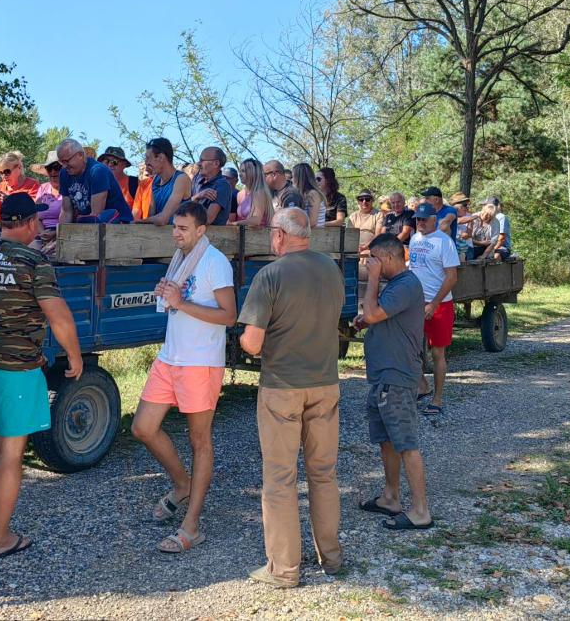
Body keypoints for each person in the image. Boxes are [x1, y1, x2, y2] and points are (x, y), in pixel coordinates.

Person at [0, 193, 84, 561]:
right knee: (9, 455)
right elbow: (58, 316)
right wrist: (74, 356)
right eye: (36, 221)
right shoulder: (34, 261)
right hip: (16, 371)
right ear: (28, 223)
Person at [238, 208, 345, 587]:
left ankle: (283, 569)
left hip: (282, 387)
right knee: (323, 474)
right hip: (325, 383)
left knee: (280, 479)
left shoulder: (270, 275)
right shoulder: (331, 269)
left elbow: (253, 344)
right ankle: (331, 557)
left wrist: (243, 339)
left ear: (280, 235)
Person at [131, 201, 237, 553]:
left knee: (199, 441)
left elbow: (229, 316)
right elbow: (177, 301)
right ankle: (182, 484)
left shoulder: (215, 262)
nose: (176, 233)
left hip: (200, 362)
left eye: (183, 228)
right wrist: (169, 296)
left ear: (201, 230)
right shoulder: (180, 258)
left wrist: (179, 301)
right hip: (171, 356)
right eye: (174, 227)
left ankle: (191, 527)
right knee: (142, 428)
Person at [355, 233, 433, 530]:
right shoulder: (397, 286)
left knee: (406, 443)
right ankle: (391, 497)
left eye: (373, 259)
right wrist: (365, 320)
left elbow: (374, 312)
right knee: (387, 440)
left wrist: (373, 281)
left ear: (388, 258)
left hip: (397, 377)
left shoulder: (406, 284)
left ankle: (421, 511)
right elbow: (377, 315)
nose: (370, 264)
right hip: (383, 376)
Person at [407, 203, 459, 417]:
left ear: (434, 220)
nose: (420, 222)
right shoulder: (414, 239)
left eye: (424, 219)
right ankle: (422, 386)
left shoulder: (444, 242)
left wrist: (434, 303)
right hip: (416, 303)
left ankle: (437, 399)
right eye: (417, 219)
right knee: (411, 348)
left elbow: (452, 277)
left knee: (437, 353)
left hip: (440, 304)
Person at [56, 138, 133, 224]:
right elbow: (66, 212)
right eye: (61, 162)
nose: (64, 166)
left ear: (80, 155)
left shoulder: (98, 171)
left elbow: (96, 215)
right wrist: (60, 230)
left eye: (66, 161)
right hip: (94, 224)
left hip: (120, 225)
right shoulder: (64, 174)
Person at [138, 137, 193, 225]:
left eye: (148, 158)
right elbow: (151, 215)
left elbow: (162, 219)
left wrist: (139, 221)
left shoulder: (181, 179)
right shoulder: (155, 181)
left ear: (160, 157)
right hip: (160, 233)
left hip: (178, 232)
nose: (146, 163)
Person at [0, 152, 40, 225]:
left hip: (17, 227)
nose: (3, 176)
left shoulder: (32, 185)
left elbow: (32, 213)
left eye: (7, 172)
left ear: (19, 168)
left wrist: (10, 202)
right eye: (0, 173)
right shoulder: (0, 186)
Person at [190, 146, 235, 225]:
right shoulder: (196, 179)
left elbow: (208, 219)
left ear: (216, 163)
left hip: (210, 233)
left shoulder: (222, 185)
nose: (198, 163)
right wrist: (197, 196)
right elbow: (182, 209)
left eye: (202, 160)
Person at [29, 150, 63, 254]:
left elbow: (73, 217)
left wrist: (56, 233)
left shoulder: (71, 189)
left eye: (57, 167)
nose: (53, 172)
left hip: (64, 234)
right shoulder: (43, 188)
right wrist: (42, 232)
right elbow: (36, 216)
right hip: (42, 232)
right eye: (49, 168)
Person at [231, 158, 273, 228]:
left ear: (254, 173)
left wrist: (234, 224)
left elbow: (256, 220)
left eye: (243, 171)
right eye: (240, 171)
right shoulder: (240, 194)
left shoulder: (260, 193)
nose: (240, 174)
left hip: (259, 233)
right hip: (243, 232)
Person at [292, 162, 326, 228]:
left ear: (299, 178)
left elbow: (312, 222)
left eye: (293, 177)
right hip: (305, 232)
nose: (291, 180)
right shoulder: (302, 195)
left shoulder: (313, 194)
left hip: (316, 233)